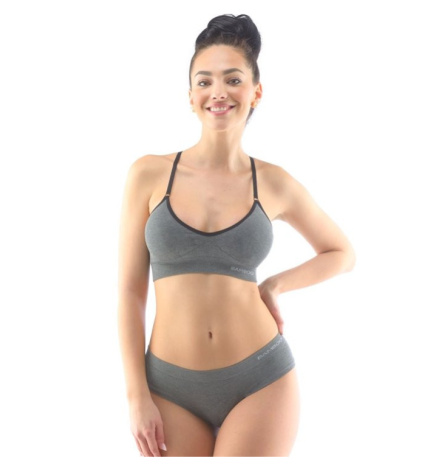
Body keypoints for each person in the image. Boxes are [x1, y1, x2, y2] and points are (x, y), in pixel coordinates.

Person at [117, 13, 355, 457]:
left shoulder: (274, 182)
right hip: (169, 386)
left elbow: (341, 252)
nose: (218, 92)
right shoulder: (148, 174)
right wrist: (136, 396)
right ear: (190, 95)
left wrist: (275, 285)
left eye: (233, 79)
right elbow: (131, 293)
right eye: (204, 81)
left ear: (255, 92)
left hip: (260, 380)